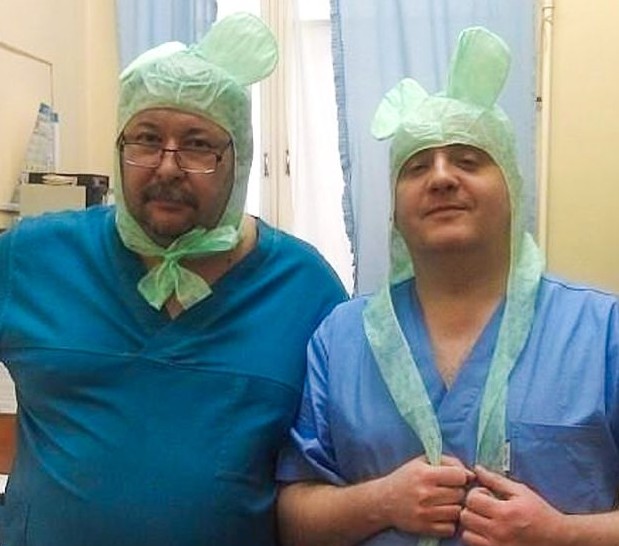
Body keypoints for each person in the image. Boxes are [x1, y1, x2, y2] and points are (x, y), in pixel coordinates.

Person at [0, 12, 347, 546]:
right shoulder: (34, 257)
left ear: (239, 158)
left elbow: (336, 468)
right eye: (145, 139)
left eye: (198, 144)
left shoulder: (304, 290)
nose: (167, 166)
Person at [276, 26, 619, 546]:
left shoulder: (600, 334)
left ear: (513, 191)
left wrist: (562, 534)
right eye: (416, 167)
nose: (440, 178)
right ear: (395, 211)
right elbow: (293, 519)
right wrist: (381, 501)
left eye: (468, 160)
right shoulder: (341, 339)